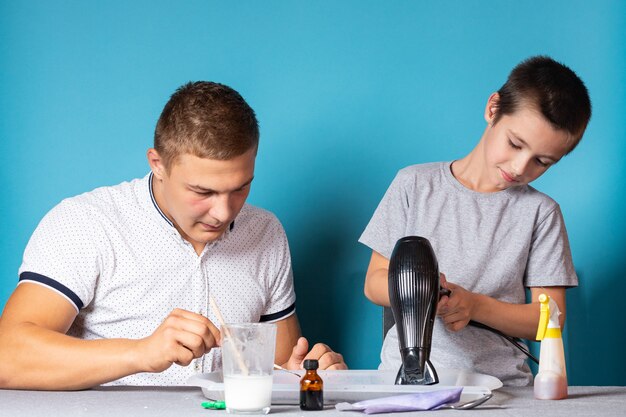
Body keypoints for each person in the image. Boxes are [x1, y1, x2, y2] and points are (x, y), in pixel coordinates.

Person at [0, 81, 346, 390]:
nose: (224, 213)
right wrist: (141, 353)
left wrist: (304, 373)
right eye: (203, 192)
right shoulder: (87, 223)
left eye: (241, 188)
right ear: (157, 164)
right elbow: (7, 357)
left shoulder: (266, 232)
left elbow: (279, 365)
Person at [359, 56, 591, 386]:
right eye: (515, 143)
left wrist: (475, 305)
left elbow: (549, 319)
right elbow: (373, 282)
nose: (520, 167)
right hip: (407, 383)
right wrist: (427, 291)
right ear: (493, 109)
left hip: (502, 389)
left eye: (542, 161)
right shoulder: (413, 185)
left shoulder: (542, 213)